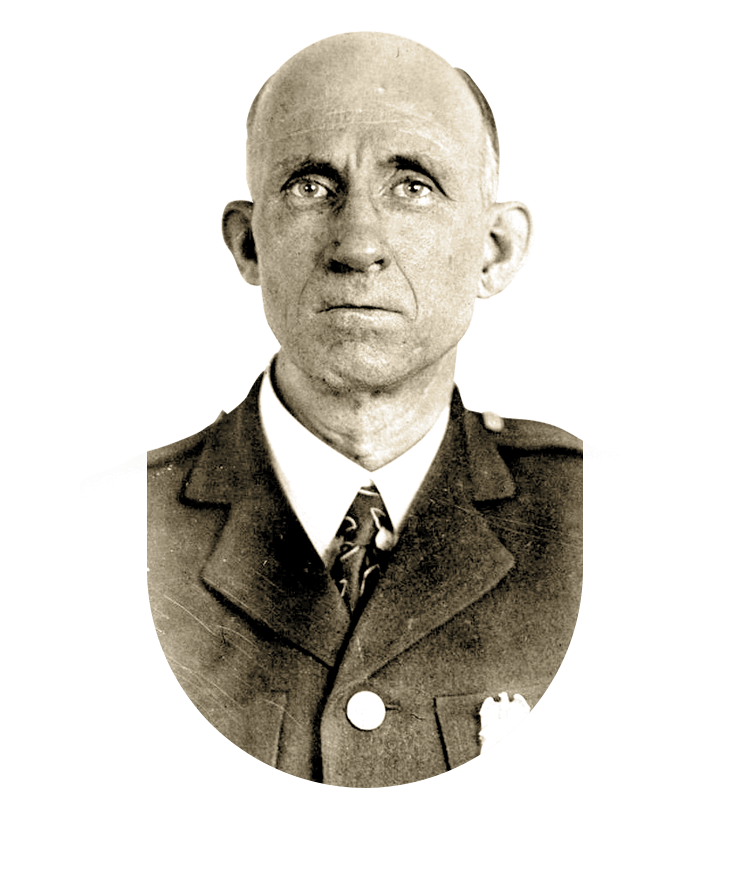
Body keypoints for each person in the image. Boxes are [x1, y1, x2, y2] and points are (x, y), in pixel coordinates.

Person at [82, 31, 593, 787]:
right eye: (312, 187)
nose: (358, 246)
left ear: (495, 251)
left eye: (412, 186)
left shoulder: (588, 513)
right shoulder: (116, 521)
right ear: (249, 245)